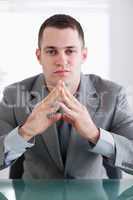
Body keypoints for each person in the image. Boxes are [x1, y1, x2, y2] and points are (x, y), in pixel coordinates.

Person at [0, 14, 133, 179]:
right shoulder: (13, 95)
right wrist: (26, 131)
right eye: (51, 51)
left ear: (83, 55)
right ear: (39, 56)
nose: (62, 60)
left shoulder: (113, 95)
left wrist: (95, 134)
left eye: (70, 51)